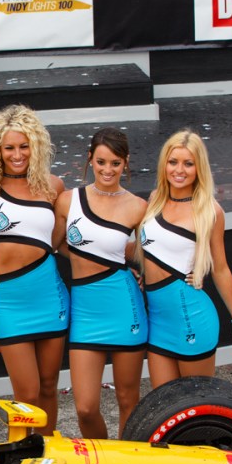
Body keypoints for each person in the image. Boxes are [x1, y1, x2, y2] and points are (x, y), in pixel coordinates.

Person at [0, 105, 67, 433]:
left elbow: (59, 242)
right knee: (27, 393)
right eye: (9, 147)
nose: (17, 155)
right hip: (9, 304)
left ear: (35, 146)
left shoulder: (54, 187)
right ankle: (24, 454)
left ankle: (47, 448)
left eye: (24, 146)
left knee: (49, 386)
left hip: (50, 297)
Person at [137, 130, 232, 387]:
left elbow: (220, 268)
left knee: (195, 401)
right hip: (158, 320)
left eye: (188, 164)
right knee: (164, 404)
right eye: (173, 162)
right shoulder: (155, 199)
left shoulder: (210, 210)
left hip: (191, 316)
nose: (179, 170)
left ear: (199, 168)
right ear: (164, 164)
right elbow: (149, 248)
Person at [55, 128, 147, 439]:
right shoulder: (68, 201)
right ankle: (103, 458)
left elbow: (148, 253)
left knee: (128, 400)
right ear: (90, 160)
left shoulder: (138, 207)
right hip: (85, 312)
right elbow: (52, 244)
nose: (108, 170)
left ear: (126, 162)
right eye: (101, 162)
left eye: (116, 163)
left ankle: (128, 461)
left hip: (125, 307)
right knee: (85, 407)